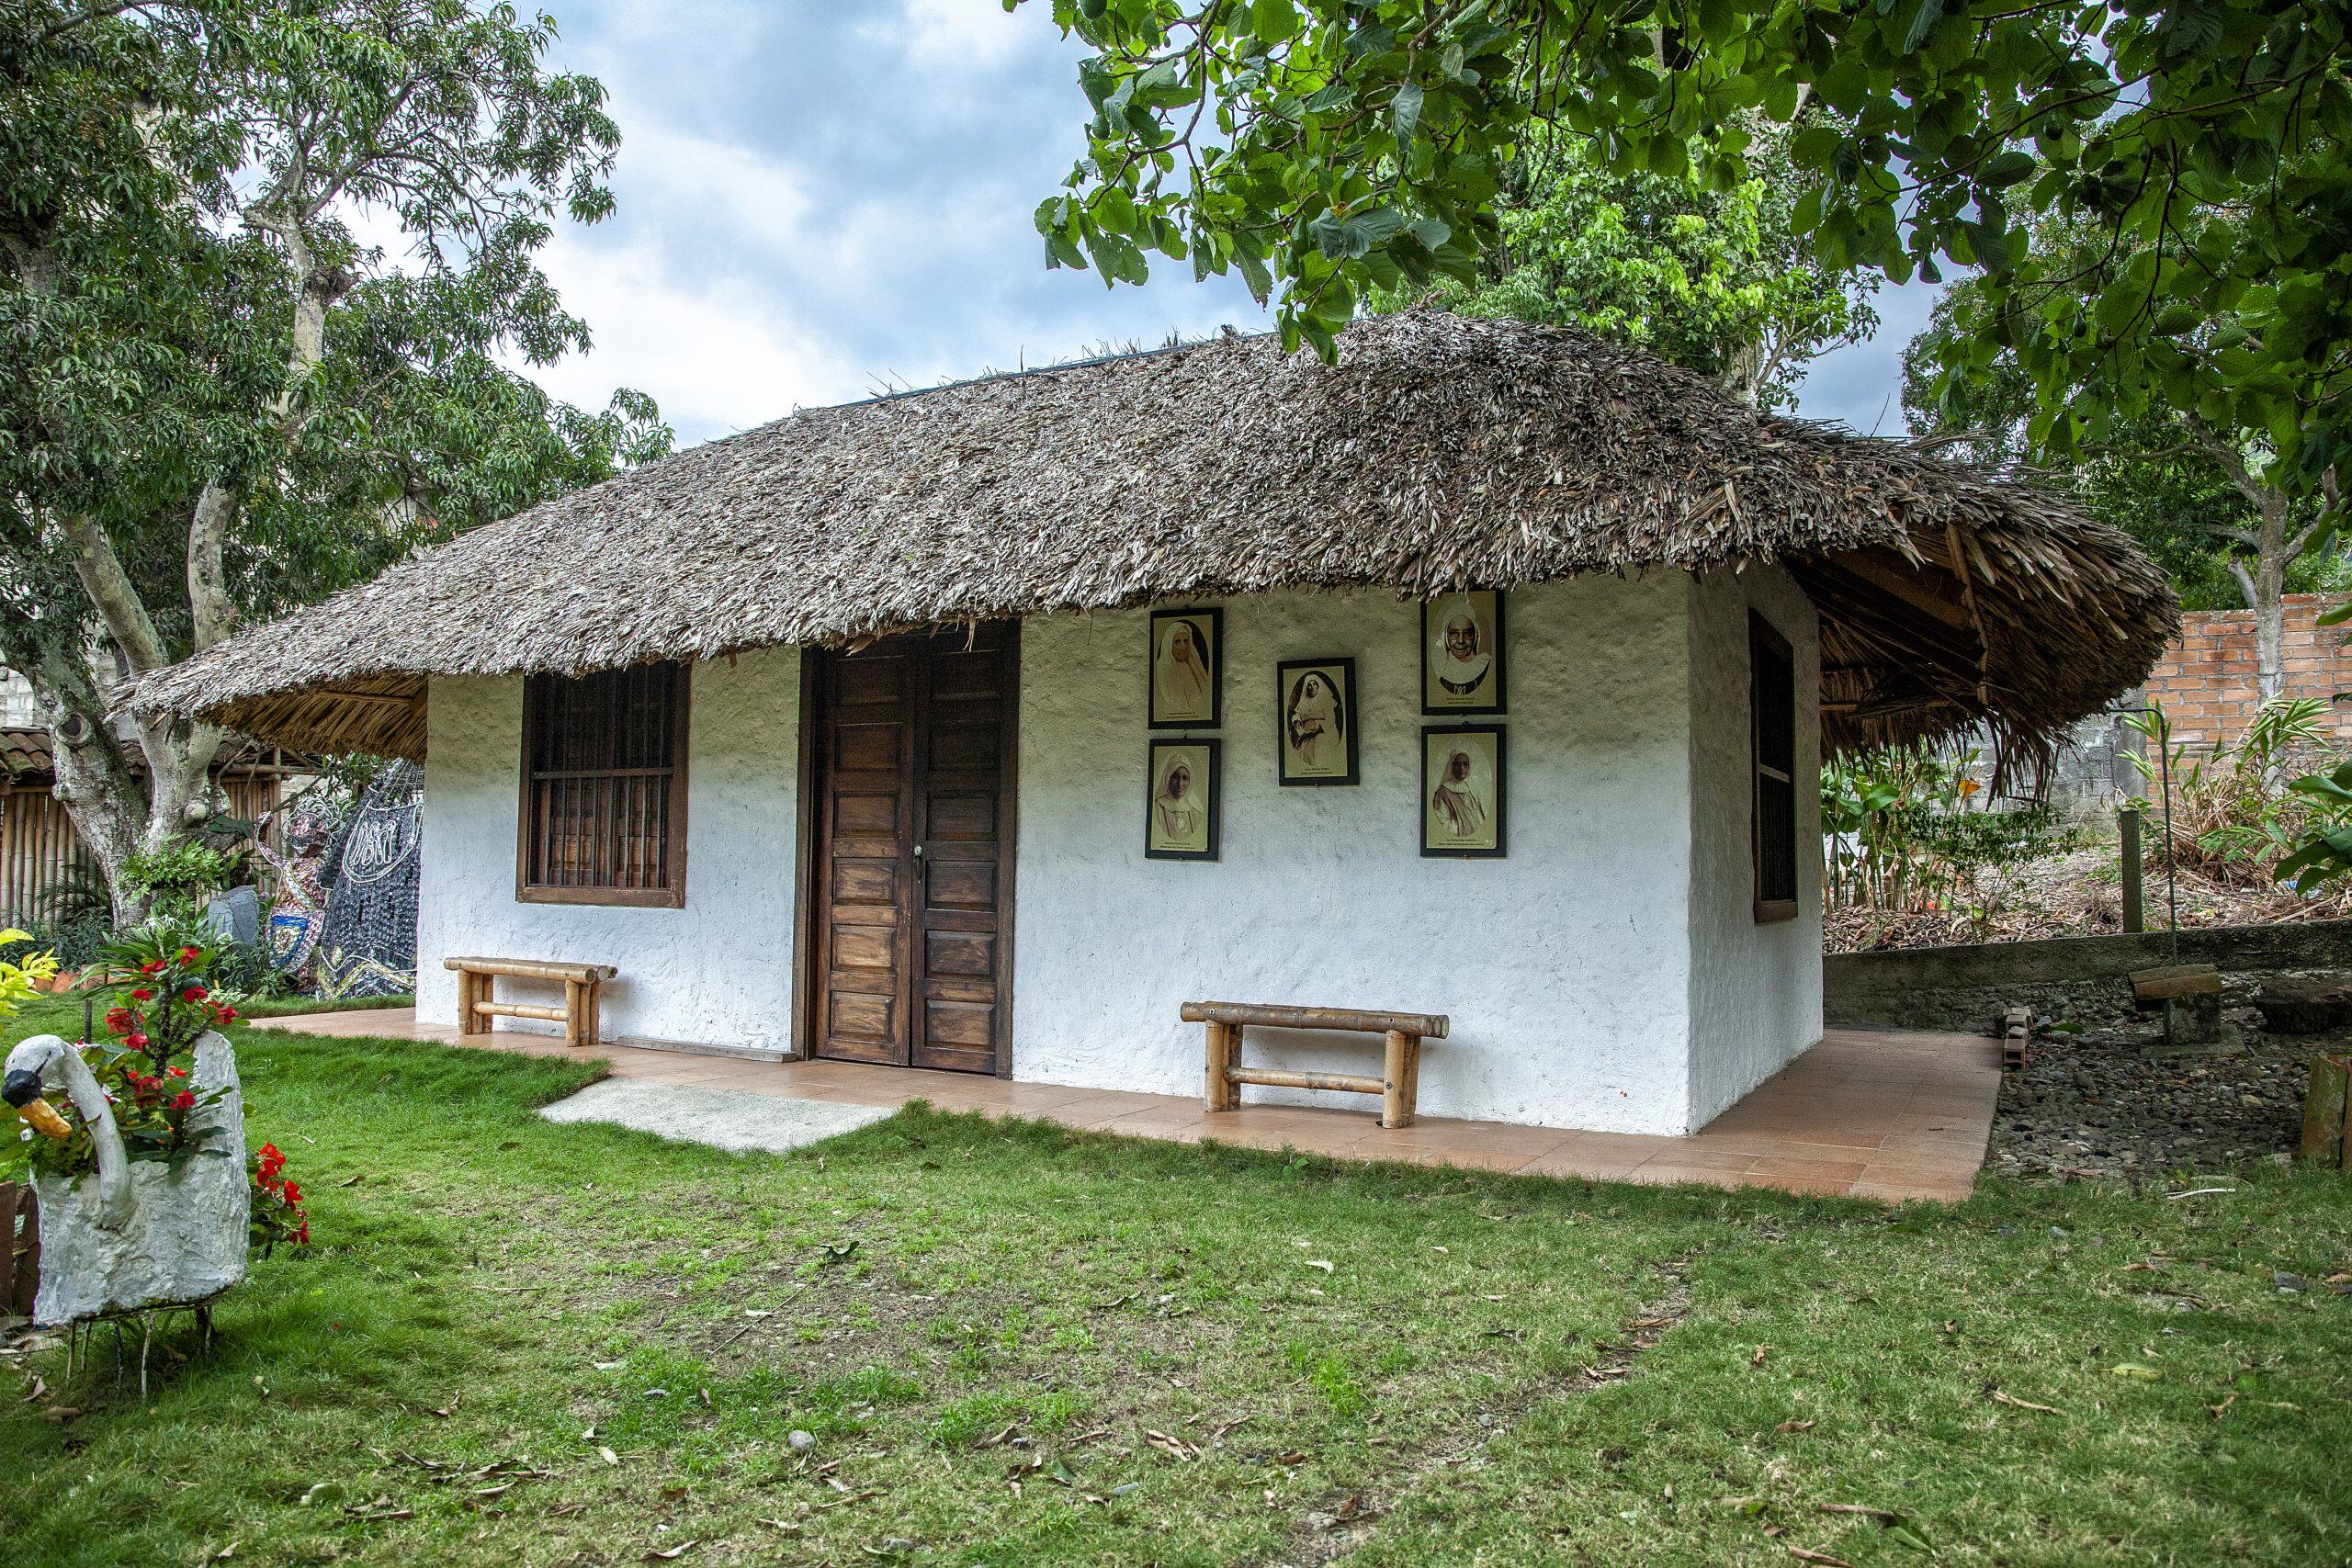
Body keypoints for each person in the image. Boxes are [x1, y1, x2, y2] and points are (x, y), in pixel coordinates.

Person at [1284, 670, 1345, 770]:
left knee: (1318, 754)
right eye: (1309, 685)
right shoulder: (1304, 701)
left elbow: (1330, 720)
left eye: (1314, 684)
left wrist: (1316, 730)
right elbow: (1297, 714)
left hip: (1324, 733)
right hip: (1307, 735)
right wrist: (1297, 721)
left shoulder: (1326, 700)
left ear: (1318, 686)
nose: (1311, 687)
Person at [1156, 618, 1213, 718]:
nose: (1183, 647)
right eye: (1177, 642)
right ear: (1169, 645)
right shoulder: (1162, 669)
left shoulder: (1190, 666)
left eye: (1186, 641)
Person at [1433, 607, 1492, 699]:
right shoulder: (1439, 668)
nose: (1461, 641)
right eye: (1454, 634)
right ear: (1446, 637)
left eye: (1467, 634)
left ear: (1476, 636)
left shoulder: (1485, 664)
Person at [1430, 749, 1487, 840]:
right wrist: (1466, 825)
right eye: (1457, 764)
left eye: (1465, 764)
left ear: (1469, 767)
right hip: (1459, 836)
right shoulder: (1443, 792)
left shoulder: (1475, 788)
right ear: (1451, 766)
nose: (1462, 768)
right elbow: (1442, 821)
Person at [1154, 758, 1204, 846]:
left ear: (1190, 782)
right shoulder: (1156, 807)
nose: (1180, 783)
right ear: (1167, 779)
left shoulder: (1195, 813)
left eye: (1185, 778)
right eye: (1175, 777)